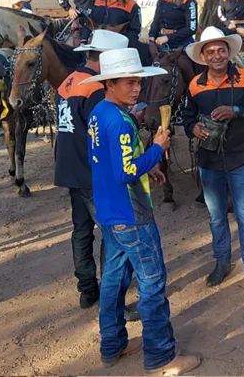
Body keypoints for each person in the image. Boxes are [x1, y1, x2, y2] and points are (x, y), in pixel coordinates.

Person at [84, 47, 202, 374]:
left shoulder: (99, 112)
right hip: (132, 215)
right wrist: (156, 151)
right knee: (152, 284)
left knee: (112, 282)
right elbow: (125, 171)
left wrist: (148, 165)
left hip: (109, 213)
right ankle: (161, 356)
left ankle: (113, 345)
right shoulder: (120, 122)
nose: (136, 89)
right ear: (109, 83)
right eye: (128, 83)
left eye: (138, 82)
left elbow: (113, 161)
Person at [183, 27, 244, 286]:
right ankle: (222, 262)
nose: (216, 56)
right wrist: (192, 127)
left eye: (221, 50)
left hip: (241, 157)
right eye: (210, 52)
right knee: (216, 216)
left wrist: (236, 110)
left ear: (229, 52)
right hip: (209, 161)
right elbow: (187, 117)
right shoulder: (195, 85)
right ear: (203, 57)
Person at [55, 30, 128, 310]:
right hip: (93, 173)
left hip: (70, 169)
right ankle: (111, 288)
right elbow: (103, 132)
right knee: (111, 231)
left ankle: (86, 288)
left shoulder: (68, 82)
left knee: (82, 231)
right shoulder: (96, 89)